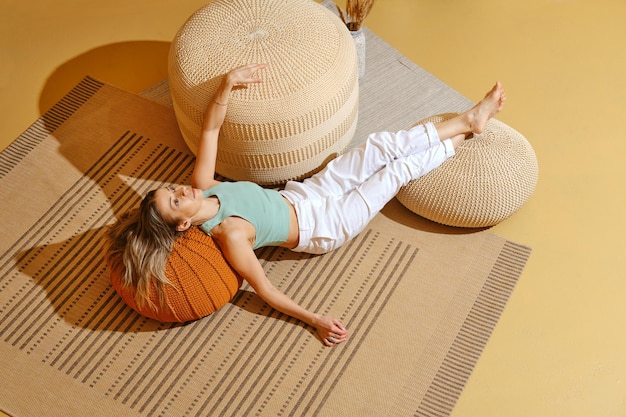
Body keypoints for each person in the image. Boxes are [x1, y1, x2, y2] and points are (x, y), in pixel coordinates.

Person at [106, 63, 506, 347]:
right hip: (325, 226)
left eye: (172, 189)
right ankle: (458, 137)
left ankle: (468, 122)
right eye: (176, 201)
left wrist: (226, 85)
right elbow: (264, 289)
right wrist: (314, 320)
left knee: (376, 146)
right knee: (393, 173)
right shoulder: (231, 235)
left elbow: (210, 128)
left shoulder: (203, 185)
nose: (183, 190)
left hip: (307, 193)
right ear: (182, 226)